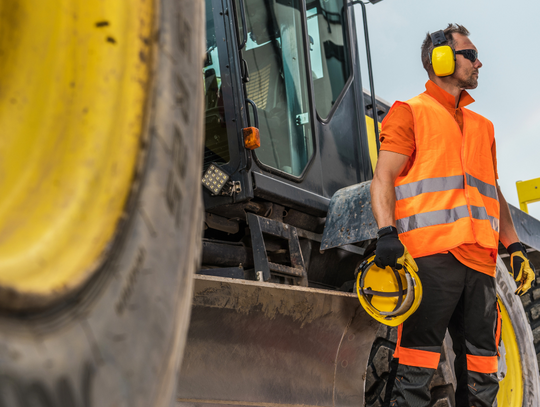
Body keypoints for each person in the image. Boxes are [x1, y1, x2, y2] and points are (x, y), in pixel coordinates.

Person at [370, 24, 536, 406]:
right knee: (415, 364)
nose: (480, 63)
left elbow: (493, 194)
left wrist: (514, 247)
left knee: (483, 368)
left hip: (480, 265)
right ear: (441, 59)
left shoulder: (484, 127)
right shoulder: (410, 113)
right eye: (471, 55)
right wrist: (386, 233)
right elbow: (384, 178)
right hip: (431, 260)